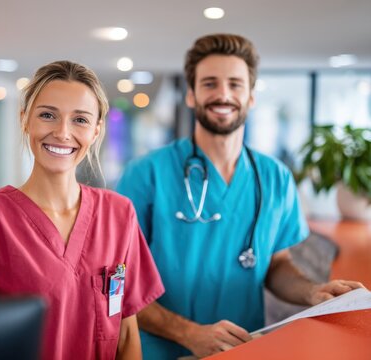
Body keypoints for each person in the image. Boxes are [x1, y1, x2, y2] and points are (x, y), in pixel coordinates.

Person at [116, 34, 364, 359]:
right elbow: (118, 281)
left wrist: (312, 292)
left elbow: (277, 264)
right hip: (162, 351)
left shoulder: (275, 178)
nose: (223, 94)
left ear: (250, 97)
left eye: (235, 84)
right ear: (191, 95)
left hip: (242, 346)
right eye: (209, 83)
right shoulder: (147, 174)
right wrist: (189, 334)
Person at [0, 60, 165, 360]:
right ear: (25, 120)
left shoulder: (119, 214)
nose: (62, 132)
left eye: (80, 120)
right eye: (47, 115)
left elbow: (125, 332)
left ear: (96, 131)